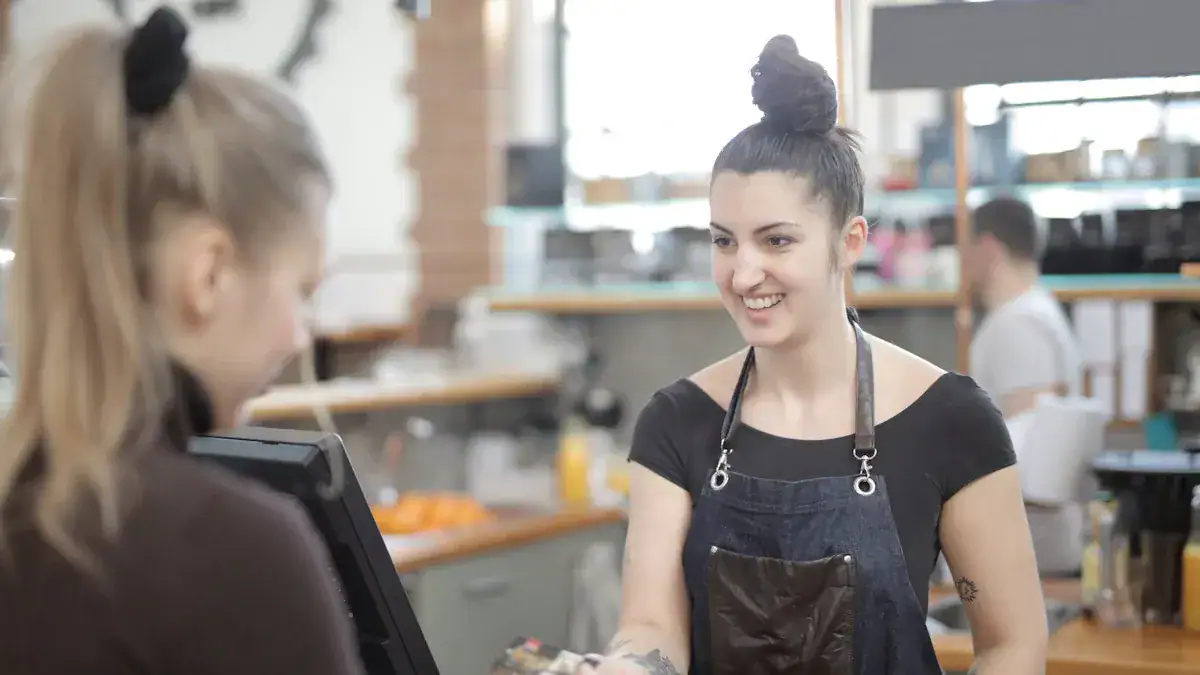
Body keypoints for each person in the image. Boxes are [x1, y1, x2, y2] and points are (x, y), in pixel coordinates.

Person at [579, 36, 1047, 675]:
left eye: (776, 241)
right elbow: (651, 626)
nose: (744, 275)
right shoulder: (676, 422)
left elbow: (1013, 646)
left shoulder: (951, 420)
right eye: (724, 242)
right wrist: (630, 668)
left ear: (850, 240)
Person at [0, 8, 363, 675]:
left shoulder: (23, 514)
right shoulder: (235, 553)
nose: (299, 334)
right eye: (300, 291)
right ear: (210, 274)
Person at [965, 196, 1087, 576]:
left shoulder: (1019, 324)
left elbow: (1026, 442)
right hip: (1033, 542)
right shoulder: (1033, 311)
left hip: (1030, 547)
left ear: (987, 247)